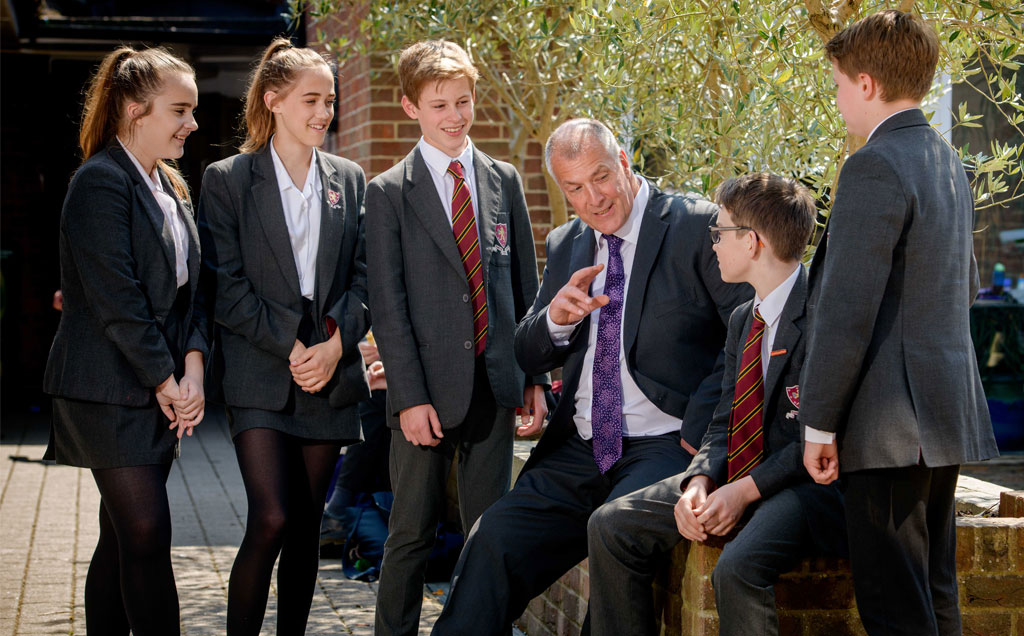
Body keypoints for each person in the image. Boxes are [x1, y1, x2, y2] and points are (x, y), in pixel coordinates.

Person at [431, 118, 750, 635]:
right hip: (578, 447)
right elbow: (529, 354)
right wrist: (555, 321)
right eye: (574, 188)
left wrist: (702, 433)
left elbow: (748, 331)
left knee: (612, 539)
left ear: (623, 161)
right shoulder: (567, 243)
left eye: (600, 177)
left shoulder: (695, 225)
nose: (593, 198)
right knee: (492, 540)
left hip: (667, 442)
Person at [799, 11, 999, 635]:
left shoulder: (873, 165)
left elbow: (845, 312)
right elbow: (962, 285)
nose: (837, 101)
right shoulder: (946, 162)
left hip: (888, 429)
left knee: (895, 609)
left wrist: (819, 422)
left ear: (865, 83)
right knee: (934, 594)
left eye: (836, 86)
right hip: (942, 416)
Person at [585, 172, 847, 636]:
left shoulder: (826, 318)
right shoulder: (745, 318)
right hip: (737, 474)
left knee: (737, 568)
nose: (712, 245)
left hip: (805, 486)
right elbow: (725, 418)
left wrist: (744, 490)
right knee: (610, 525)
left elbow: (816, 438)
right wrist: (699, 481)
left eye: (719, 232)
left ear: (752, 242)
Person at [364, 40, 548, 636]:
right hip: (423, 395)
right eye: (439, 104)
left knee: (488, 531)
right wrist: (409, 398)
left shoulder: (503, 181)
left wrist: (535, 378)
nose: (454, 115)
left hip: (495, 388)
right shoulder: (389, 191)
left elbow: (527, 292)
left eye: (463, 101)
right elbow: (389, 308)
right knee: (411, 532)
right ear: (410, 106)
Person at [197, 38, 370, 635]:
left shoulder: (348, 178)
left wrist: (335, 347)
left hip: (330, 375)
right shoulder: (227, 180)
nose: (323, 112)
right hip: (260, 372)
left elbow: (366, 278)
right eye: (310, 100)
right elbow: (225, 286)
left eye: (330, 101)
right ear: (273, 100)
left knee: (304, 527)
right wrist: (294, 349)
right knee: (270, 517)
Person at [42, 46, 205, 635]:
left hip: (158, 388)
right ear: (135, 109)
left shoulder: (170, 186)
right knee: (145, 534)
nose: (192, 123)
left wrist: (193, 369)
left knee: (120, 539)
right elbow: (119, 301)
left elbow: (191, 295)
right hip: (106, 391)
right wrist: (168, 380)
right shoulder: (99, 182)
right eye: (179, 110)